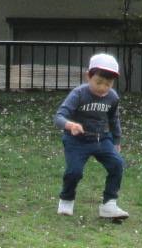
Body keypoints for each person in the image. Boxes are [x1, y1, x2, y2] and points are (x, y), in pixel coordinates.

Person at [54, 52, 128, 219]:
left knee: (117, 164)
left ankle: (109, 204)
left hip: (102, 139)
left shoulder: (112, 97)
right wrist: (70, 125)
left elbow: (114, 119)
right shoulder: (78, 94)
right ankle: (66, 199)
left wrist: (116, 140)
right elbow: (58, 117)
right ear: (88, 76)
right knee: (75, 172)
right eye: (98, 82)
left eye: (108, 84)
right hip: (77, 141)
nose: (103, 88)